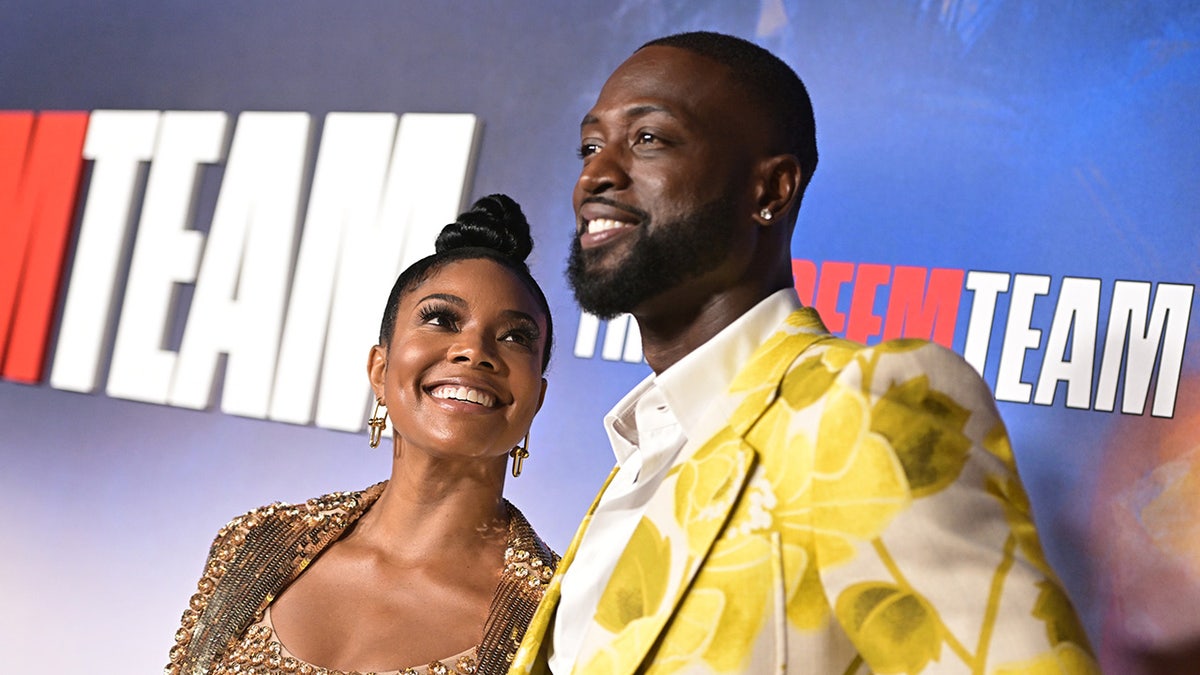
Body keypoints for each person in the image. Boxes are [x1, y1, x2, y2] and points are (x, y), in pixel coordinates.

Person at [511, 32, 1099, 674]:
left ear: (771, 190)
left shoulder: (863, 404)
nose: (596, 175)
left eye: (649, 139)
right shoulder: (642, 457)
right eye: (590, 146)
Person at [167, 194, 558, 675]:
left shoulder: (555, 619)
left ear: (536, 399)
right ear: (380, 368)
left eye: (515, 337)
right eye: (441, 319)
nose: (474, 351)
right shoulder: (256, 543)